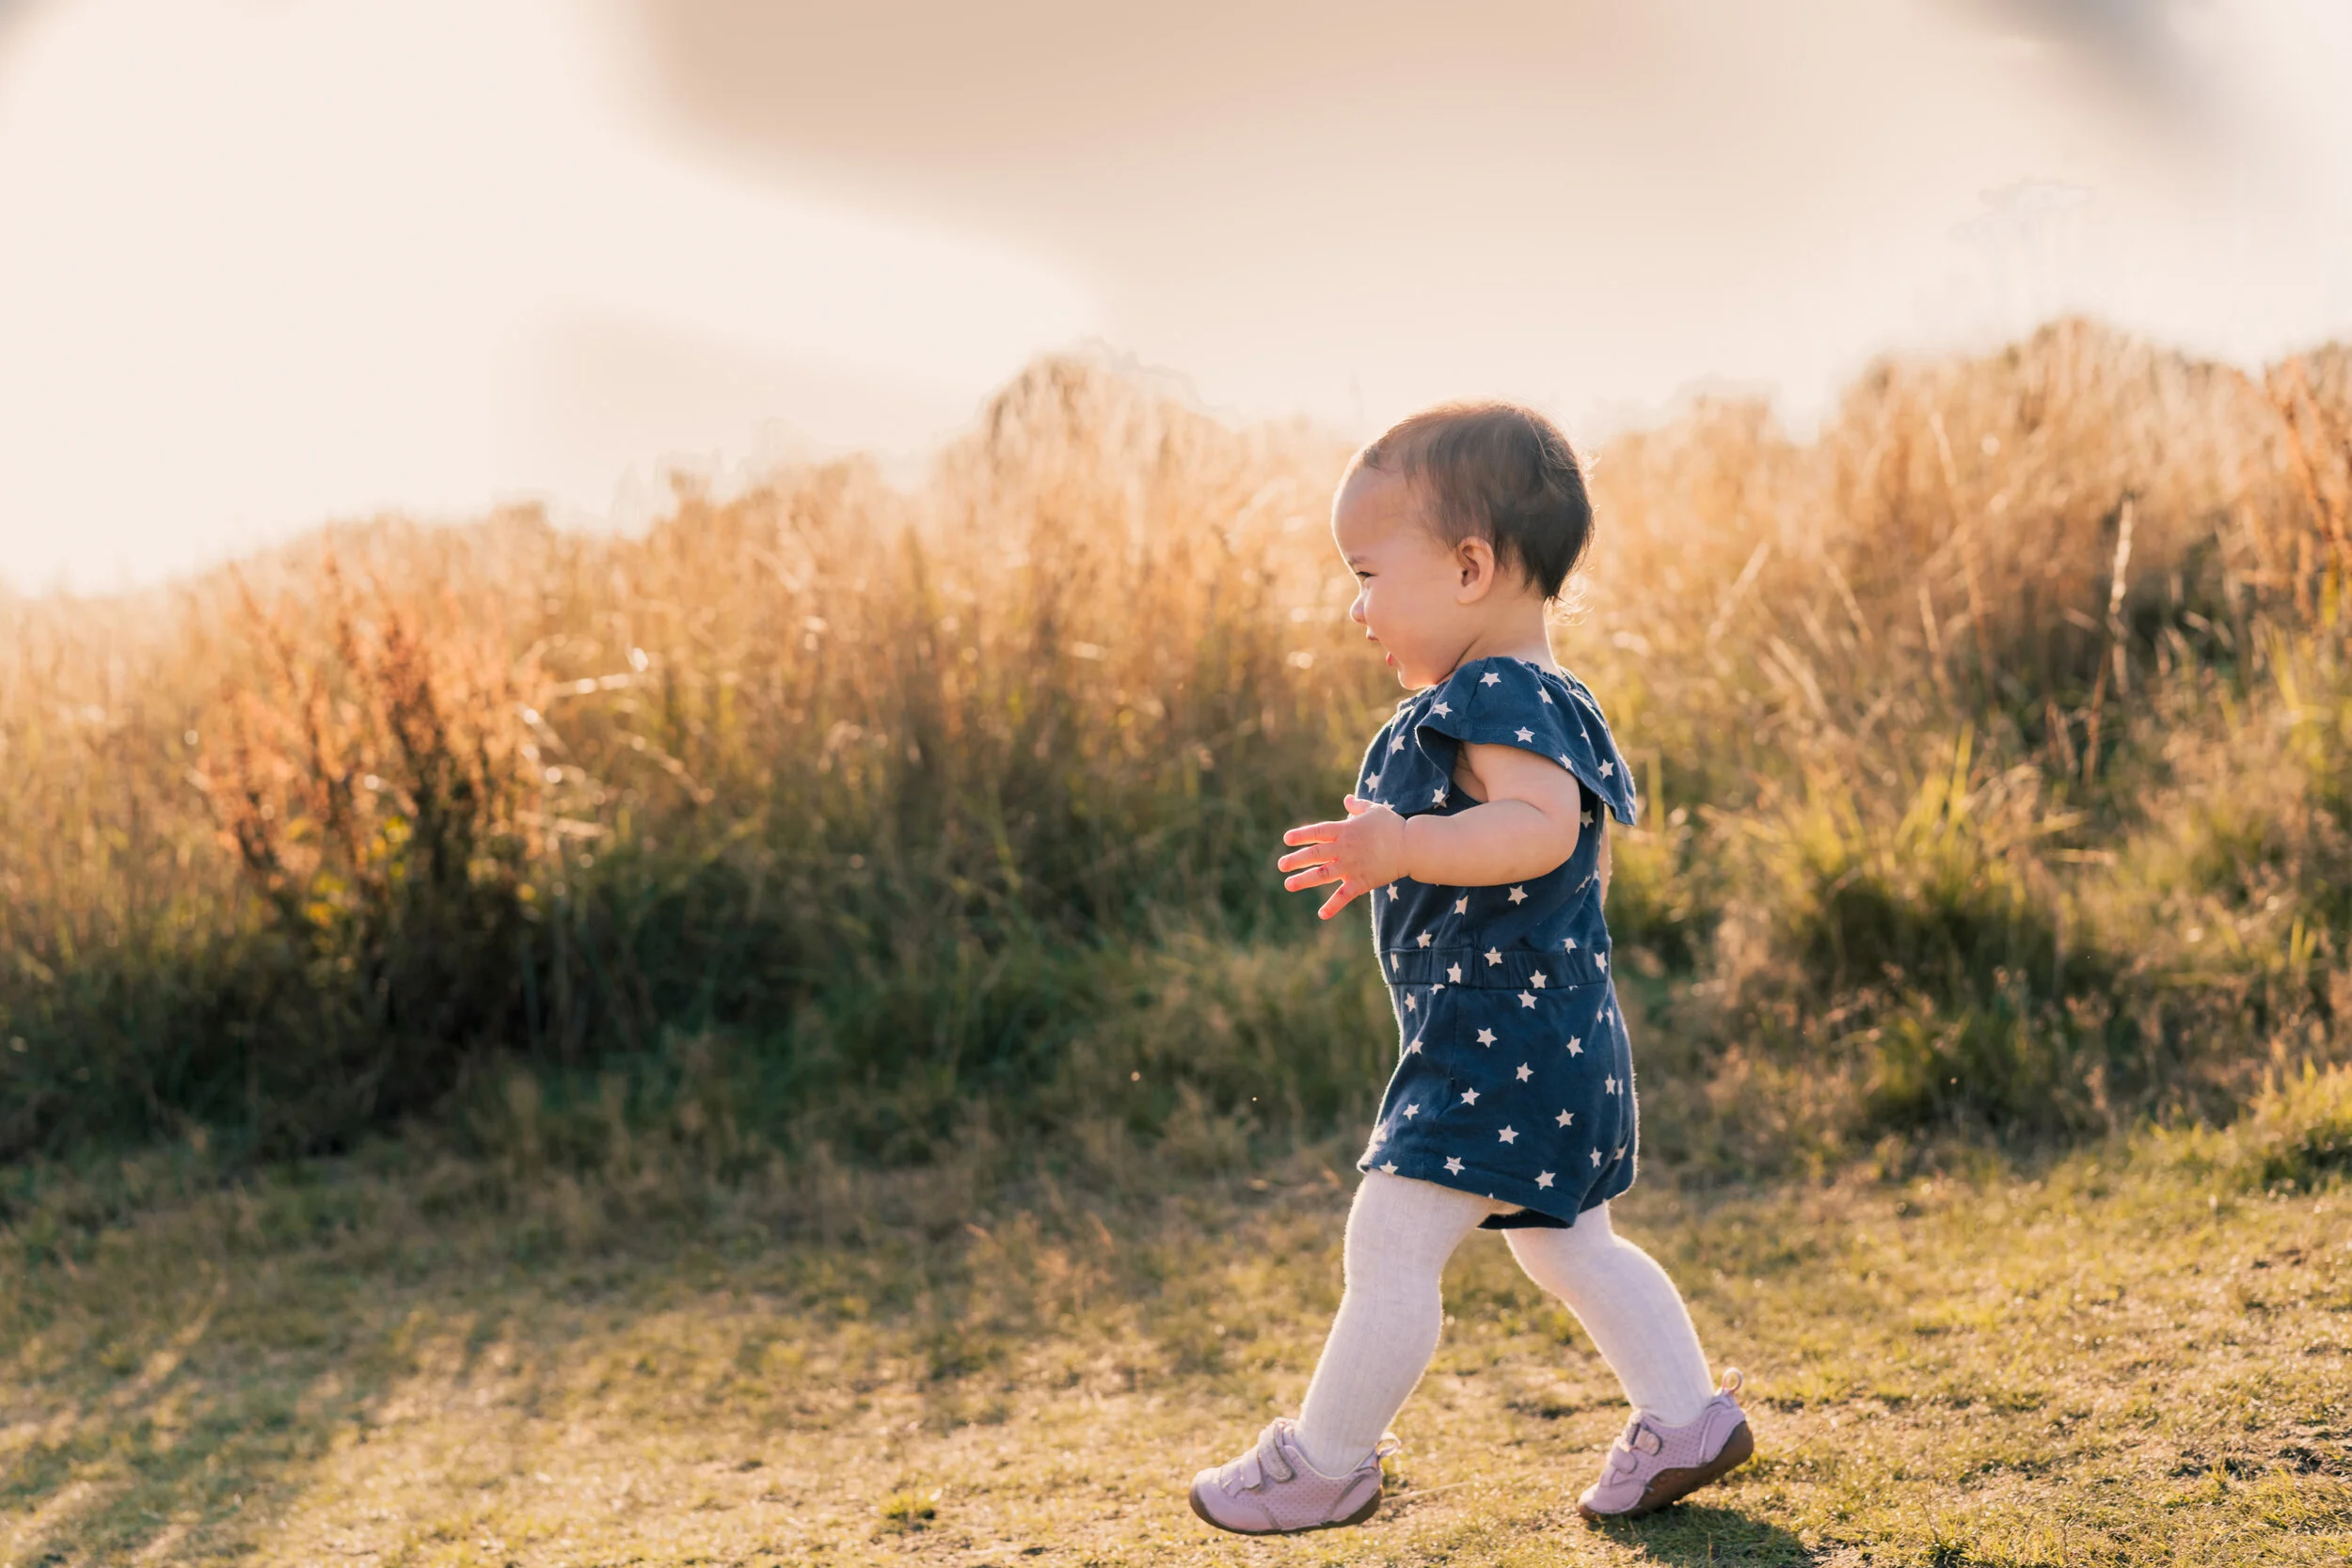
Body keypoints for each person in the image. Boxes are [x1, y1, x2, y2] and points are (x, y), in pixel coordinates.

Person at [1187, 404, 1752, 1534]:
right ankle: (1685, 1415)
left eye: (1363, 571)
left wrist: (1401, 846)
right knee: (1568, 1241)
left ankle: (1325, 1460)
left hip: (1496, 1036)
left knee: (1390, 1235)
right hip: (1553, 1033)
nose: (1353, 605)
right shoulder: (1537, 695)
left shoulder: (1495, 694)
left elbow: (1538, 829)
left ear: (1470, 565)